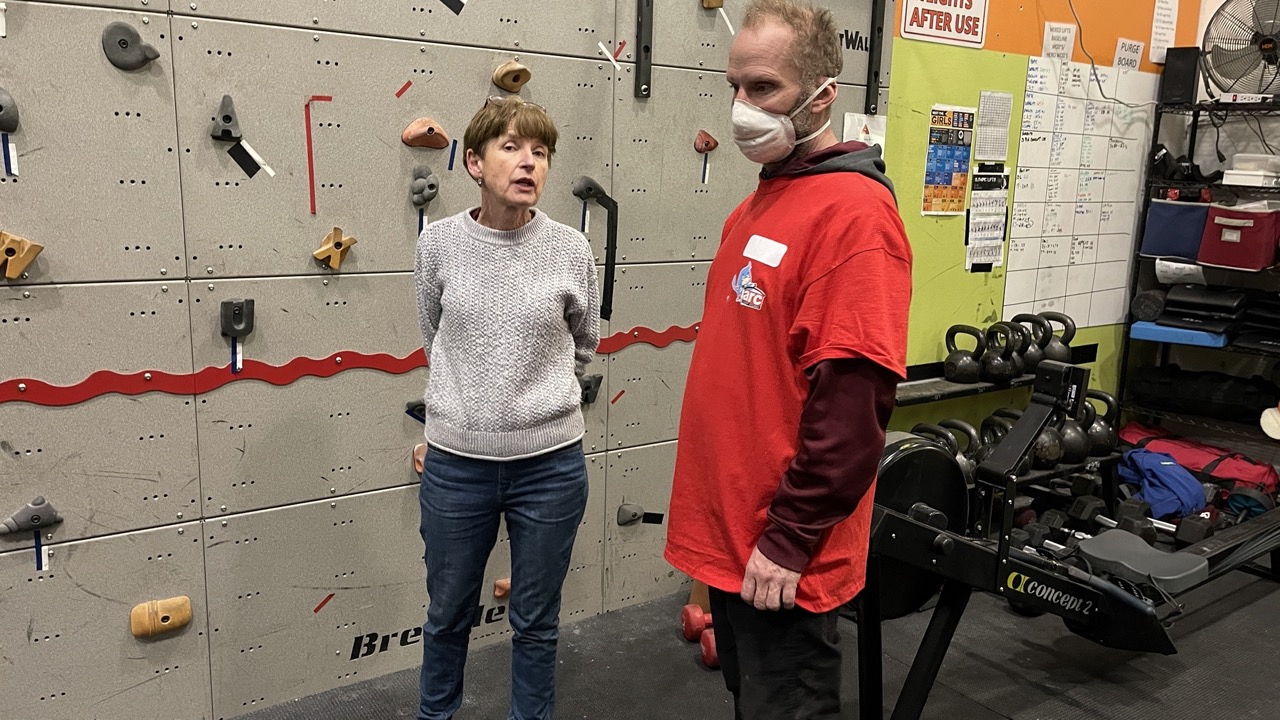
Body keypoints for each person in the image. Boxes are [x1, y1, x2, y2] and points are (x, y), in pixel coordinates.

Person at [663, 1, 913, 717]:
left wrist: (789, 538)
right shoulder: (758, 205)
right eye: (735, 86)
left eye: (764, 87)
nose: (742, 107)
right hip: (735, 539)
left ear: (823, 95)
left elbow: (853, 409)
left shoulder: (855, 216)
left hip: (780, 553)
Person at [413, 95, 600, 720]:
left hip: (550, 468)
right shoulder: (438, 244)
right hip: (456, 467)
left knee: (536, 622)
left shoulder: (570, 249)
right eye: (512, 147)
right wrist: (469, 403)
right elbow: (434, 336)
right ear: (474, 162)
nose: (529, 163)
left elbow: (583, 344)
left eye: (540, 152)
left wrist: (536, 401)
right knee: (447, 615)